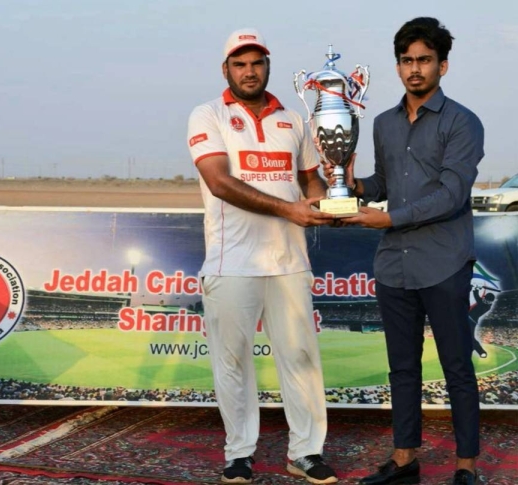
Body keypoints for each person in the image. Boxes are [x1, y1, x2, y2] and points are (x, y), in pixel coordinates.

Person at [321, 17, 484, 485]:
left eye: (425, 60)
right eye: (407, 60)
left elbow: (452, 195)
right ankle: (404, 458)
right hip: (394, 264)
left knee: (456, 366)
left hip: (444, 261)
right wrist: (349, 183)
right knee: (402, 368)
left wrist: (387, 218)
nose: (415, 69)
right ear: (398, 67)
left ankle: (466, 466)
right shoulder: (382, 124)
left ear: (443, 65)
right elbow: (385, 185)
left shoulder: (463, 123)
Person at [187, 28, 338, 484]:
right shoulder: (207, 114)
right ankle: (239, 454)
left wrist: (320, 197)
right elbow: (219, 182)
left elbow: (311, 178)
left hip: (288, 261)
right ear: (226, 69)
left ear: (267, 66)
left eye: (256, 63)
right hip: (231, 262)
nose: (249, 71)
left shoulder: (293, 119)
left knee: (301, 359)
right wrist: (288, 208)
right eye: (240, 63)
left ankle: (306, 452)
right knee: (232, 361)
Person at [469, 286, 496, 358]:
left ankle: (481, 352)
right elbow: (477, 297)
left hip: (471, 321)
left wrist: (476, 289)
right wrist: (475, 289)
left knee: (470, 337)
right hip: (467, 318)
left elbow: (477, 297)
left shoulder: (485, 305)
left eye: (485, 298)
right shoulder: (485, 303)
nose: (484, 299)